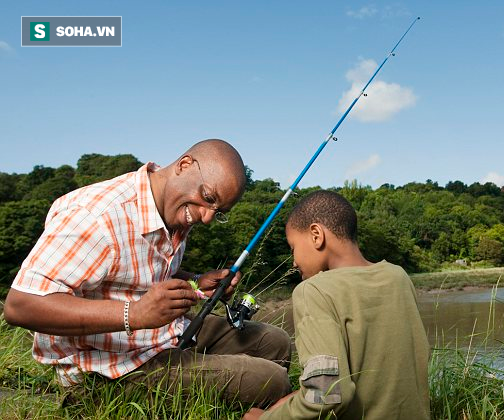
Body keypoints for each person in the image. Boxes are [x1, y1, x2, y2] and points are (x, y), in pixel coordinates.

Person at [3, 139, 291, 407]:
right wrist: (135, 314)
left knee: (275, 344)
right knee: (271, 380)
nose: (206, 217)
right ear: (185, 165)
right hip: (104, 371)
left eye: (219, 211)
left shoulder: (174, 211)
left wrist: (196, 281)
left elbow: (141, 279)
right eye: (207, 197)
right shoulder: (95, 215)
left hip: (161, 336)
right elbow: (21, 306)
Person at [244, 190, 431, 420]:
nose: (294, 261)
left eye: (293, 248)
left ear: (316, 235)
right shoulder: (398, 276)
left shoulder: (313, 290)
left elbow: (327, 396)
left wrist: (264, 419)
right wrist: (293, 399)